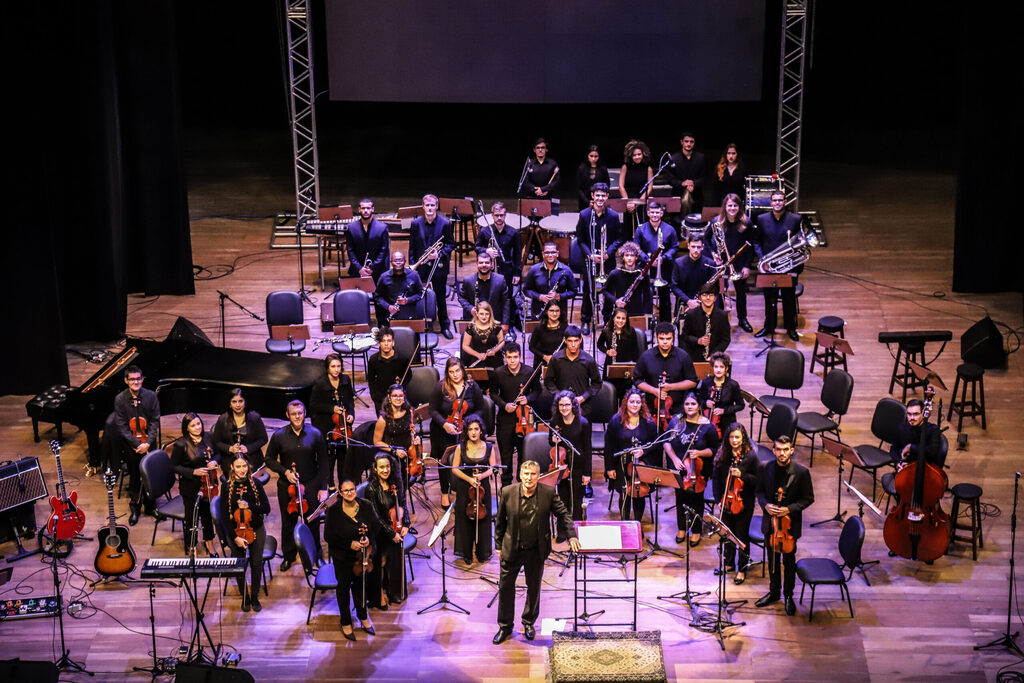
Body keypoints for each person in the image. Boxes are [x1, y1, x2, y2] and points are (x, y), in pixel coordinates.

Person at [493, 460, 580, 645]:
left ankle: (528, 622)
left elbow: (564, 514)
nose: (529, 478)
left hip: (535, 549)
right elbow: (500, 521)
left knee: (534, 588)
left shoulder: (548, 493)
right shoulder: (507, 492)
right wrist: (498, 545)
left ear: (538, 476)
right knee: (506, 588)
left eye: (533, 474)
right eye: (526, 474)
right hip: (512, 548)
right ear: (520, 475)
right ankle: (505, 626)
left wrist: (571, 536)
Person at [264, 401, 329, 572]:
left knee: (313, 521)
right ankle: (289, 556)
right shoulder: (279, 436)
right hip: (288, 487)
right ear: (288, 415)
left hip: (311, 484)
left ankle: (316, 555)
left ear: (305, 413)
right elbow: (269, 459)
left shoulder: (315, 434)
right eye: (294, 414)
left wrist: (323, 488)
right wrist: (285, 472)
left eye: (300, 413)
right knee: (288, 522)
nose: (297, 416)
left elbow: (324, 462)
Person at [755, 436, 814, 616]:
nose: (782, 453)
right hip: (770, 523)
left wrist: (788, 509)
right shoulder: (765, 468)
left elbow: (808, 499)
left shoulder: (801, 472)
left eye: (785, 449)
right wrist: (765, 504)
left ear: (792, 450)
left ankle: (788, 595)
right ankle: (774, 593)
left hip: (789, 526)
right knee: (772, 561)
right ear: (773, 450)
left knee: (789, 562)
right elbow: (759, 492)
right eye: (778, 449)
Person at [323, 479, 380, 640]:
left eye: (352, 489)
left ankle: (363, 616)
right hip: (342, 557)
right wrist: (349, 544)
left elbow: (375, 526)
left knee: (361, 586)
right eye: (346, 490)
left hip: (362, 557)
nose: (350, 493)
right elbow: (328, 536)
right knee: (343, 588)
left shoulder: (366, 506)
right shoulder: (333, 511)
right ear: (340, 493)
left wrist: (368, 538)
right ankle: (346, 621)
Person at [663, 394, 720, 546]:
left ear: (699, 406)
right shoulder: (677, 421)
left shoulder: (707, 426)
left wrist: (700, 453)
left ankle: (696, 530)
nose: (689, 407)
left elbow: (715, 449)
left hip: (698, 470)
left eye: (693, 404)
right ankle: (682, 528)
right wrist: (674, 459)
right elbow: (667, 443)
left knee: (696, 499)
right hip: (678, 467)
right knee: (680, 497)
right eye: (687, 404)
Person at [429, 357, 485, 508]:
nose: (455, 375)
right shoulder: (440, 387)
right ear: (447, 372)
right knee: (444, 461)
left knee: (465, 460)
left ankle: (464, 491)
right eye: (451, 372)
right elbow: (432, 410)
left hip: (466, 430)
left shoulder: (473, 387)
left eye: (457, 371)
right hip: (443, 430)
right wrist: (445, 424)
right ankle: (445, 493)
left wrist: (469, 424)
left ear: (463, 370)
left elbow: (480, 408)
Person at [108, 365, 160, 526]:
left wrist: (148, 443)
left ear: (142, 379)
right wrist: (138, 444)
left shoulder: (151, 396)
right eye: (132, 379)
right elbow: (122, 427)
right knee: (135, 477)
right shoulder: (120, 399)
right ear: (126, 380)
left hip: (148, 443)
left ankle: (151, 507)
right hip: (131, 445)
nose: (135, 382)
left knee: (150, 475)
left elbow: (155, 421)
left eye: (138, 378)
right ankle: (135, 508)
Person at [220, 455, 272, 612]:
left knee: (256, 564)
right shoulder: (226, 487)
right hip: (236, 531)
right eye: (238, 467)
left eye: (244, 466)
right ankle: (245, 596)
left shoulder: (256, 483)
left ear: (249, 466)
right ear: (232, 468)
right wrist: (234, 537)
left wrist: (250, 506)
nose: (242, 470)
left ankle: (254, 595)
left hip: (255, 528)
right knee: (239, 565)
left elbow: (266, 508)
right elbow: (224, 515)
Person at [710, 424, 758, 585]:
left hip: (744, 503)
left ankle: (742, 569)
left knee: (741, 536)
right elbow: (716, 479)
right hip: (725, 501)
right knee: (727, 535)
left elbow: (758, 481)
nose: (734, 440)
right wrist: (718, 500)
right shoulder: (723, 454)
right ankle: (729, 564)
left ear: (743, 437)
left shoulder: (750, 457)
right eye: (731, 437)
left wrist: (742, 475)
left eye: (737, 437)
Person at [490, 342, 542, 488]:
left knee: (523, 454)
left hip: (525, 418)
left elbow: (537, 391)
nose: (512, 361)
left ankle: (522, 484)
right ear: (505, 357)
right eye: (509, 357)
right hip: (505, 419)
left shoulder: (530, 372)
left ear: (520, 356)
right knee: (505, 455)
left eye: (515, 357)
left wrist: (528, 399)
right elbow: (493, 393)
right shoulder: (498, 373)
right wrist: (503, 405)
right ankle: (506, 486)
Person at [574, 182, 623, 334]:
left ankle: (608, 318)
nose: (600, 198)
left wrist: (608, 253)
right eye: (598, 195)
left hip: (607, 260)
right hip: (590, 259)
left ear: (607, 197)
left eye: (603, 195)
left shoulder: (614, 216)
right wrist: (590, 254)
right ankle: (585, 320)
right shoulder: (584, 215)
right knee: (589, 289)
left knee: (608, 289)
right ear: (592, 196)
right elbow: (580, 239)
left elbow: (618, 239)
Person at [754, 190, 803, 341]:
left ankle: (791, 328)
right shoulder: (762, 219)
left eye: (780, 200)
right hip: (769, 268)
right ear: (770, 203)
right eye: (774, 200)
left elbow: (800, 244)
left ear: (785, 201)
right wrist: (763, 260)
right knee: (769, 299)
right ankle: (769, 327)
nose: (777, 203)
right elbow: (757, 242)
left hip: (788, 267)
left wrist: (795, 269)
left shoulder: (795, 219)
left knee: (789, 299)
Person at [603, 388, 658, 522]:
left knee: (639, 494)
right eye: (632, 401)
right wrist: (609, 467)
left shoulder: (648, 422)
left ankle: (637, 524)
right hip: (620, 465)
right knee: (624, 494)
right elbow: (609, 446)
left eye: (638, 402)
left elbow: (656, 443)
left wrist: (643, 451)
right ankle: (625, 523)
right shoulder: (616, 421)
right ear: (626, 403)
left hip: (641, 464)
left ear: (642, 404)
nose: (634, 405)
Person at [169, 413, 220, 556]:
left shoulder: (209, 437)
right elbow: (173, 466)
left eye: (199, 424)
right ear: (186, 428)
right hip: (190, 487)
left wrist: (215, 461)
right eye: (193, 425)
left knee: (208, 516)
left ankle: (209, 542)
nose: (198, 427)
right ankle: (191, 545)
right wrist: (193, 472)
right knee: (191, 517)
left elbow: (218, 454)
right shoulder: (181, 445)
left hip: (209, 485)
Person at [705, 193, 756, 333]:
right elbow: (705, 238)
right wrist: (713, 254)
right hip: (722, 263)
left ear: (739, 207)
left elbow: (751, 246)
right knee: (720, 293)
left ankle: (742, 319)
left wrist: (747, 265)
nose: (732, 208)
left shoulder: (747, 222)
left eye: (735, 205)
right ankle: (720, 322)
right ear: (725, 207)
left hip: (739, 264)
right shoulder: (716, 221)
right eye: (730, 206)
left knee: (741, 293)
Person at [364, 453, 410, 608]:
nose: (385, 470)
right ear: (375, 469)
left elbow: (403, 503)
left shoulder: (395, 483)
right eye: (381, 467)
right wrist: (392, 534)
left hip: (394, 528)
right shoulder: (371, 489)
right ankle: (379, 593)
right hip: (378, 532)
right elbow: (375, 517)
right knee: (380, 559)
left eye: (387, 466)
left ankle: (394, 591)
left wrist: (406, 524)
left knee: (396, 553)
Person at [451, 417, 498, 565]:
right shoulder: (460, 447)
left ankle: (482, 552)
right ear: (466, 431)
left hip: (482, 485)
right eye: (470, 429)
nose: (473, 432)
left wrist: (481, 476)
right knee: (465, 519)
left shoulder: (489, 447)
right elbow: (454, 469)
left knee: (483, 518)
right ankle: (466, 553)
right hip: (465, 486)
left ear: (481, 431)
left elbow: (492, 468)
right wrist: (470, 479)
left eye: (476, 429)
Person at [410, 194, 456, 338]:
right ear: (423, 207)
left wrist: (439, 253)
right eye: (427, 205)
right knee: (419, 294)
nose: (429, 208)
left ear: (436, 207)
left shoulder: (445, 224)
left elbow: (451, 244)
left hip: (439, 265)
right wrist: (413, 265)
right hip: (421, 266)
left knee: (440, 296)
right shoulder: (416, 223)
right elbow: (412, 246)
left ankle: (444, 325)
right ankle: (419, 323)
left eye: (432, 205)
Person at [308, 353, 356, 487]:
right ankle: (328, 483)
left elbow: (349, 401)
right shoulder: (320, 383)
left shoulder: (345, 380)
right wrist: (332, 408)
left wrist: (351, 414)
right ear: (327, 368)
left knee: (343, 455)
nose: (336, 369)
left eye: (339, 366)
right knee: (329, 457)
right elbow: (313, 405)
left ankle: (343, 482)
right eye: (333, 366)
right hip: (326, 425)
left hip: (343, 424)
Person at [475, 202, 522, 330]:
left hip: (507, 270)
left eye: (501, 215)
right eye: (497, 215)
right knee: (490, 296)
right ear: (492, 216)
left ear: (505, 215)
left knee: (508, 298)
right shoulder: (485, 231)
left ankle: (509, 324)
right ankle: (488, 322)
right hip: (489, 270)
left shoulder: (513, 233)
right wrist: (486, 251)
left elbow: (518, 255)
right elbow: (477, 247)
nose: (499, 218)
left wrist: (517, 273)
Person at [548, 390, 593, 525]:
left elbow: (587, 449)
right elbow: (550, 441)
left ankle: (577, 529)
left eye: (567, 405)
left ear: (573, 405)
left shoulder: (583, 423)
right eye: (561, 405)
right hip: (561, 466)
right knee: (563, 500)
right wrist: (553, 440)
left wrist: (587, 473)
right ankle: (563, 529)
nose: (564, 408)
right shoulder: (555, 421)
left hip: (578, 465)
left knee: (577, 500)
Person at [635, 322, 698, 416]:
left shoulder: (683, 356)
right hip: (651, 409)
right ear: (656, 338)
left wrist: (671, 387)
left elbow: (692, 381)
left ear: (673, 338)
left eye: (668, 339)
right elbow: (637, 380)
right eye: (661, 338)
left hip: (677, 409)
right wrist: (654, 390)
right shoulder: (646, 356)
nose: (665, 342)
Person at [633, 201, 678, 321]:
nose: (655, 215)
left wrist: (664, 257)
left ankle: (666, 323)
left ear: (662, 213)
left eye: (657, 212)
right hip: (646, 268)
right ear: (648, 213)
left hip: (664, 268)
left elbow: (675, 247)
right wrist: (648, 260)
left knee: (665, 298)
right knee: (646, 296)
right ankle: (646, 322)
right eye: (652, 212)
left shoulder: (670, 229)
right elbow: (636, 248)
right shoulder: (640, 230)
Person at [372, 383, 421, 494]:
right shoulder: (383, 419)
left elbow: (411, 430)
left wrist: (415, 438)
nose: (398, 398)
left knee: (404, 487)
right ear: (389, 397)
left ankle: (402, 504)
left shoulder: (409, 412)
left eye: (400, 396)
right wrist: (394, 450)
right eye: (395, 396)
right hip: (392, 456)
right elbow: (376, 442)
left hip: (408, 455)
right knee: (397, 488)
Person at [211, 388, 269, 481]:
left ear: (245, 402)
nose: (237, 405)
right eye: (234, 402)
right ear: (230, 404)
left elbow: (263, 439)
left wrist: (248, 448)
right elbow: (216, 442)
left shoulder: (255, 418)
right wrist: (230, 448)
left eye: (240, 401)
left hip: (252, 459)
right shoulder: (222, 419)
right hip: (230, 461)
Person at [543, 326, 602, 418]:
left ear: (580, 340)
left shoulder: (589, 360)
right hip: (561, 407)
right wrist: (559, 396)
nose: (573, 344)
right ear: (565, 341)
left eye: (576, 341)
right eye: (570, 341)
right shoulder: (556, 359)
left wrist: (583, 398)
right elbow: (548, 381)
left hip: (582, 408)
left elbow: (597, 383)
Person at [600, 241, 652, 323]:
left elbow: (647, 295)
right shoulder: (615, 273)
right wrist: (616, 301)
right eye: (627, 255)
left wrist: (647, 315)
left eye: (632, 255)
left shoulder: (642, 274)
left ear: (636, 257)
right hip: (621, 311)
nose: (629, 258)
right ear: (623, 257)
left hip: (638, 312)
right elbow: (605, 291)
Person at [522, 242, 576, 320]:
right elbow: (526, 290)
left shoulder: (566, 270)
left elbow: (574, 291)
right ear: (543, 254)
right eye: (547, 252)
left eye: (553, 252)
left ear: (557, 253)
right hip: (538, 311)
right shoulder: (534, 270)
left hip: (559, 312)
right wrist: (539, 297)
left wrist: (559, 296)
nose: (550, 255)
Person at [695, 352, 745, 435]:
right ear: (712, 368)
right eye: (716, 367)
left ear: (726, 368)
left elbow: (741, 405)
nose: (718, 370)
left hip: (727, 420)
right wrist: (705, 403)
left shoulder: (733, 385)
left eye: (721, 367)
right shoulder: (706, 382)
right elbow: (699, 400)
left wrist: (724, 411)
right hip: (709, 419)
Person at [457, 252, 510, 331]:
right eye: (481, 263)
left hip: (494, 320)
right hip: (475, 320)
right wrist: (470, 308)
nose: (484, 265)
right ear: (477, 264)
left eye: (487, 263)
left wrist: (505, 323)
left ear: (491, 264)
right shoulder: (468, 280)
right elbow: (461, 297)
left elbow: (506, 301)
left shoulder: (500, 279)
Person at [597, 308, 641, 398]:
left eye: (623, 318)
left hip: (626, 367)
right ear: (613, 318)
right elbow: (599, 345)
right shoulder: (606, 331)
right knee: (610, 395)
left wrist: (635, 371)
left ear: (626, 320)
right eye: (618, 317)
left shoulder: (631, 331)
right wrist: (607, 351)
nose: (620, 321)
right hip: (611, 365)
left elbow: (635, 351)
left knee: (625, 396)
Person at [680, 283, 731, 361]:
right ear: (700, 297)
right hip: (695, 358)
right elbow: (685, 336)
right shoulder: (691, 315)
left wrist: (714, 355)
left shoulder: (722, 315)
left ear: (715, 298)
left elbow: (726, 339)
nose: (708, 298)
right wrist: (698, 341)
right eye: (704, 295)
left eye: (711, 295)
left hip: (715, 359)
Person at [671, 233, 718, 317]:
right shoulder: (678, 263)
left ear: (702, 247)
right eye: (693, 247)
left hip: (704, 304)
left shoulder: (710, 263)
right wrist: (688, 301)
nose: (696, 250)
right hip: (684, 304)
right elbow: (674, 286)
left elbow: (714, 287)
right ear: (688, 246)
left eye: (698, 247)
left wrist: (701, 301)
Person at [345, 198, 391, 282]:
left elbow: (383, 251)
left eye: (368, 208)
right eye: (363, 208)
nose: (366, 211)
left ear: (372, 209)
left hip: (377, 270)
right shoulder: (351, 228)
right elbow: (350, 250)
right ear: (359, 210)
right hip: (357, 270)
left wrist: (372, 267)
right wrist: (359, 268)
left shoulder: (382, 228)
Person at [366, 327, 410, 414]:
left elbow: (408, 376)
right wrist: (375, 397)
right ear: (379, 343)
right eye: (383, 341)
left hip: (398, 398)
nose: (386, 344)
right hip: (381, 399)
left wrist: (400, 389)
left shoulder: (402, 359)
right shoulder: (373, 360)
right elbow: (371, 380)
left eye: (389, 341)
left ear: (393, 343)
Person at [889, 398, 943, 468]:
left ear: (923, 413)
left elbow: (932, 451)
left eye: (916, 414)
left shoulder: (933, 430)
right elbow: (893, 449)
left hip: (926, 468)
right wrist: (900, 462)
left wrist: (911, 447)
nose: (912, 418)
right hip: (905, 466)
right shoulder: (902, 427)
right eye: (909, 414)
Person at [374, 251, 424, 325]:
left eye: (400, 260)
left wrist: (408, 300)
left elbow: (420, 293)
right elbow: (377, 297)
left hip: (410, 315)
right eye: (395, 260)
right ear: (391, 262)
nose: (398, 262)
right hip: (390, 315)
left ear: (405, 261)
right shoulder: (384, 277)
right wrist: (388, 307)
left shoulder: (414, 275)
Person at [668, 132, 707, 214]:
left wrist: (693, 183)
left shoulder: (700, 158)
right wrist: (682, 183)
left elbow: (705, 177)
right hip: (677, 196)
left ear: (694, 143)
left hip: (696, 196)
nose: (689, 144)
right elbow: (670, 179)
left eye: (691, 142)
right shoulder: (673, 158)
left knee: (696, 223)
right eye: (686, 141)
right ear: (681, 142)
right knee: (676, 222)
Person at [618, 139, 654, 226]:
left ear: (643, 154)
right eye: (634, 155)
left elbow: (649, 188)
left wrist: (638, 202)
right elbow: (621, 186)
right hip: (628, 202)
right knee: (627, 227)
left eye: (639, 154)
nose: (637, 157)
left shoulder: (648, 168)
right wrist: (628, 202)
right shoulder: (625, 167)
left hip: (642, 201)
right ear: (630, 156)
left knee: (642, 226)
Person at [461, 301, 505, 369]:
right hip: (477, 359)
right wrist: (478, 355)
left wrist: (494, 350)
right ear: (477, 314)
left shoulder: (496, 326)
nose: (484, 317)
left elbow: (502, 342)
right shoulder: (471, 327)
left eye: (487, 314)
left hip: (495, 359)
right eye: (481, 314)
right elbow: (465, 346)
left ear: (490, 314)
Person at [527, 300, 567, 370]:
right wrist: (545, 357)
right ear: (546, 312)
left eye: (557, 311)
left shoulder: (565, 327)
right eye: (551, 310)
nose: (554, 313)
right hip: (542, 363)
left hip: (560, 362)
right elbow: (531, 347)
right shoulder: (539, 328)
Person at [575, 146, 611, 211]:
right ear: (587, 156)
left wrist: (599, 199)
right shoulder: (582, 168)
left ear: (599, 156)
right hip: (584, 202)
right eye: (591, 156)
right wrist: (587, 201)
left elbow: (607, 185)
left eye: (596, 156)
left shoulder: (603, 169)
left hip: (600, 201)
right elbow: (578, 188)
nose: (593, 158)